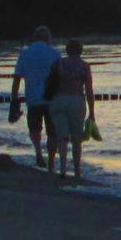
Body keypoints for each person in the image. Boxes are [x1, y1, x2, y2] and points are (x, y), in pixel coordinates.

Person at [9, 25, 63, 170]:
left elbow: (17, 78)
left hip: (32, 98)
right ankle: (51, 162)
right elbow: (61, 77)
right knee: (52, 132)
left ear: (35, 38)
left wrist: (14, 98)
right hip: (51, 98)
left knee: (34, 128)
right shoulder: (54, 53)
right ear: (48, 38)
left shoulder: (25, 53)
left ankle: (38, 152)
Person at [43, 39, 95, 182]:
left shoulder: (58, 63)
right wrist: (92, 112)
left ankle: (63, 169)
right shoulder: (85, 66)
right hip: (77, 100)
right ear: (81, 51)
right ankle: (77, 171)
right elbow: (89, 89)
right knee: (77, 139)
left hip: (59, 100)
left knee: (62, 136)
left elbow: (49, 82)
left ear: (67, 51)